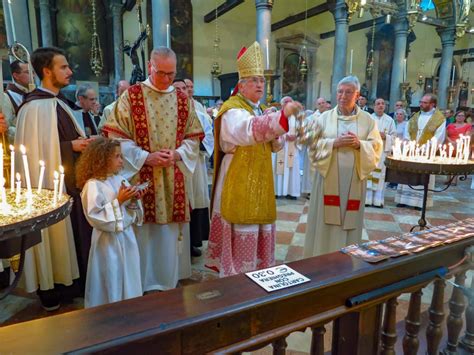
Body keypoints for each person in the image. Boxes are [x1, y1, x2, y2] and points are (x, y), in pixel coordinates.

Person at [103, 47, 204, 292]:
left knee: (168, 234)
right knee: (143, 231)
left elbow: (193, 137)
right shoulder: (132, 96)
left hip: (172, 175)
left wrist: (177, 154)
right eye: (162, 73)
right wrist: (146, 157)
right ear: (150, 67)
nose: (168, 79)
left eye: (172, 74)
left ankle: (167, 280)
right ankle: (142, 282)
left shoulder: (183, 100)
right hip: (140, 174)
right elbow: (116, 137)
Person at [205, 41, 301, 277]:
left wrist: (279, 132)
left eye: (261, 80)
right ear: (241, 85)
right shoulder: (232, 109)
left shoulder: (260, 109)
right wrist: (280, 118)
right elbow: (247, 130)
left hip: (260, 176)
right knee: (241, 220)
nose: (260, 84)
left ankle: (257, 270)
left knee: (260, 221)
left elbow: (274, 145)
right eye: (254, 81)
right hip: (237, 177)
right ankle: (235, 274)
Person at [15, 47, 94, 309]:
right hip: (50, 188)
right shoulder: (35, 107)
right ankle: (54, 288)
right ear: (47, 71)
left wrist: (80, 144)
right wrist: (70, 147)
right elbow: (40, 154)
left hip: (70, 186)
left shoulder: (57, 103)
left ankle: (71, 284)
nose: (70, 71)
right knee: (54, 236)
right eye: (63, 67)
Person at [304, 76, 382, 257]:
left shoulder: (368, 120)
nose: (343, 96)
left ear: (357, 94)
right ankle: (320, 256)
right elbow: (312, 145)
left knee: (349, 221)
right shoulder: (323, 118)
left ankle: (347, 261)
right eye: (340, 91)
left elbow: (377, 147)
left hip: (354, 180)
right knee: (325, 221)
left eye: (348, 92)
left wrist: (359, 145)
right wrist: (334, 143)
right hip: (326, 178)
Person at [76, 138, 143, 308]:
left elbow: (128, 210)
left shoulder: (119, 179)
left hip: (126, 238)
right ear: (102, 159)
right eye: (117, 157)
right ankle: (110, 309)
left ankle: (129, 305)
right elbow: (94, 216)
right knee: (111, 274)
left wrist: (134, 199)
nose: (122, 161)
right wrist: (118, 201)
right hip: (107, 242)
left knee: (128, 272)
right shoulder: (93, 185)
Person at [174, 78, 214, 257]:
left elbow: (209, 138)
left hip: (195, 163)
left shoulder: (200, 113)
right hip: (174, 164)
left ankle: (193, 242)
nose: (184, 91)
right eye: (180, 88)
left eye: (186, 87)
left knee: (195, 201)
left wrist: (194, 144)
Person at [395, 94, 446, 209]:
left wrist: (424, 149)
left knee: (423, 176)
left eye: (424, 102)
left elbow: (439, 137)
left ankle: (419, 203)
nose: (421, 104)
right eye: (421, 102)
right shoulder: (415, 117)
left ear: (432, 104)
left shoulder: (439, 119)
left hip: (427, 153)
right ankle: (404, 199)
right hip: (411, 151)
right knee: (408, 173)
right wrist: (408, 143)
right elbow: (407, 132)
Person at [366, 98, 396, 208]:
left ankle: (378, 201)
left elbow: (394, 137)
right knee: (369, 174)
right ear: (374, 106)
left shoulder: (390, 120)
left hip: (383, 152)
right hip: (370, 152)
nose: (380, 106)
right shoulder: (369, 119)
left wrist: (386, 137)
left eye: (383, 103)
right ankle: (367, 200)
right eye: (378, 104)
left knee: (381, 176)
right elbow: (363, 135)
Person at [274, 96, 301, 200]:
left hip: (292, 146)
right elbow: (273, 130)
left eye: (290, 103)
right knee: (278, 168)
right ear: (282, 105)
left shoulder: (298, 117)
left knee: (292, 169)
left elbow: (303, 131)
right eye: (285, 103)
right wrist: (284, 136)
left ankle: (291, 192)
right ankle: (277, 191)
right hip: (280, 146)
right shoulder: (277, 116)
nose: (288, 105)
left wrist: (297, 136)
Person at [302, 98, 329, 198]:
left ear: (326, 104)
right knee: (312, 169)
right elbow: (306, 131)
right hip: (314, 146)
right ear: (316, 105)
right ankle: (311, 190)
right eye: (319, 103)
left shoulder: (331, 117)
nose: (321, 105)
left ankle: (324, 190)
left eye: (323, 103)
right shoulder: (311, 118)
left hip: (327, 146)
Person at [2, 60, 33, 142]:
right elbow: (6, 128)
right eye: (27, 72)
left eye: (33, 72)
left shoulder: (35, 93)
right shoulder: (7, 97)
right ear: (16, 76)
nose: (32, 75)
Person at [445, 111, 472, 185]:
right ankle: (448, 179)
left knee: (456, 163)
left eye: (462, 116)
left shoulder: (467, 126)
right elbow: (446, 135)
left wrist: (458, 143)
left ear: (465, 117)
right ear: (455, 116)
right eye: (459, 115)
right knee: (448, 163)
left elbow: (467, 135)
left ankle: (454, 180)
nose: (460, 117)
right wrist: (451, 142)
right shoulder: (450, 125)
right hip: (450, 145)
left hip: (461, 145)